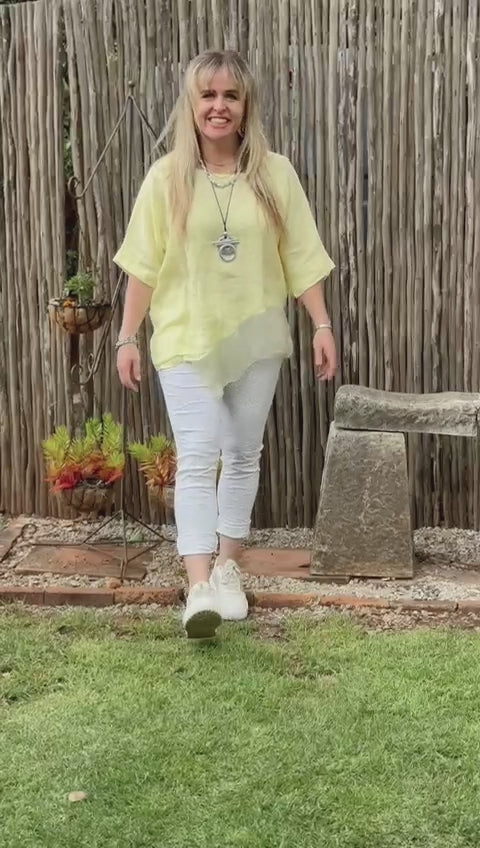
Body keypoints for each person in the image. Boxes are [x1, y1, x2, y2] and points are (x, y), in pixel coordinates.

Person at [114, 50, 336, 639]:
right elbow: (143, 264)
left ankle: (229, 568)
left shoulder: (275, 175)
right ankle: (198, 588)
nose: (219, 107)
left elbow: (301, 255)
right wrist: (127, 335)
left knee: (241, 453)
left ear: (246, 106)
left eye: (230, 96)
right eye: (207, 95)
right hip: (187, 336)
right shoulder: (167, 178)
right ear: (191, 105)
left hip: (257, 338)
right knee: (197, 453)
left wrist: (321, 324)